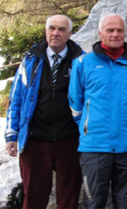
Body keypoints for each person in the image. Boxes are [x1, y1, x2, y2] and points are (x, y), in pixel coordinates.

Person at [68, 13, 127, 209]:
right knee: (93, 203)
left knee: (126, 204)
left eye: (119, 30)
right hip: (95, 147)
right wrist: (90, 127)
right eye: (110, 30)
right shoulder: (83, 64)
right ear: (100, 33)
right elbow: (75, 103)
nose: (115, 34)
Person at [5, 15, 84, 209]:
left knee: (69, 198)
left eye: (61, 29)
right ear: (46, 31)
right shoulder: (31, 61)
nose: (55, 33)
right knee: (33, 197)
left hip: (70, 141)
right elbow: (17, 99)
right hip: (35, 141)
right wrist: (11, 134)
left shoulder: (81, 62)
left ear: (70, 34)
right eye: (52, 28)